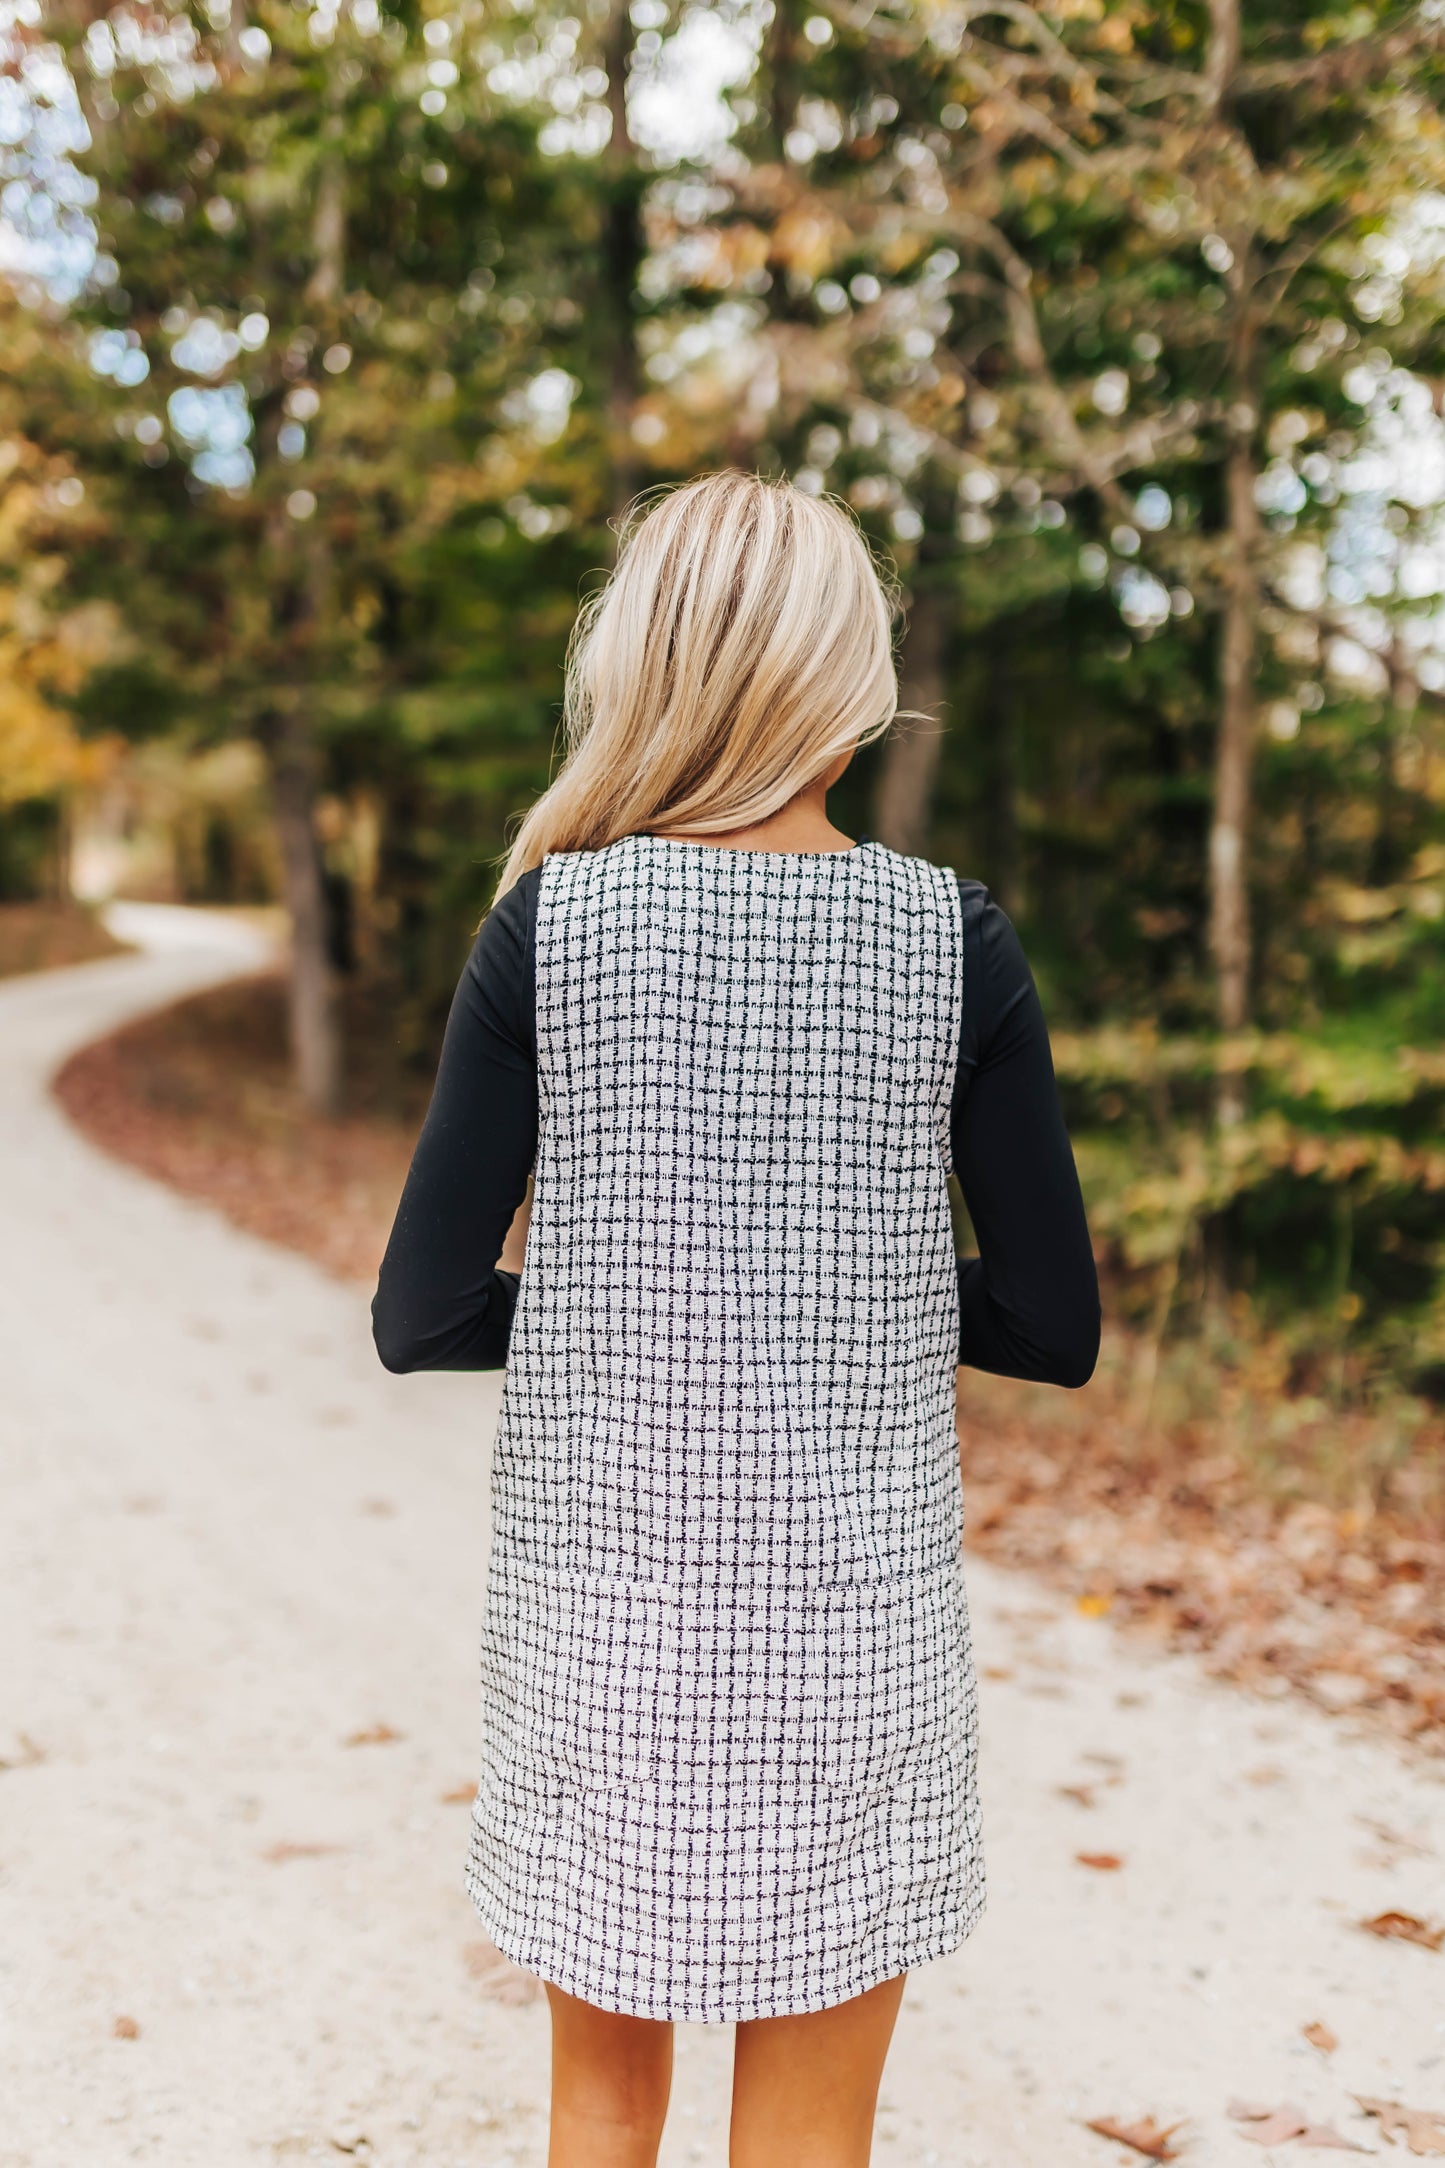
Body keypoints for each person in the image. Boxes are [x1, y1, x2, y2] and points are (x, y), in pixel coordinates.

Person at [371, 469, 1100, 2168]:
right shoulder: (953, 940)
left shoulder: (549, 926)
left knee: (598, 2120)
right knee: (807, 2142)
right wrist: (842, 1315)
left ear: (643, 677)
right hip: (856, 1646)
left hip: (603, 1638)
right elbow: (1053, 1324)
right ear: (842, 693)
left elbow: (420, 1313)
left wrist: (621, 1319)